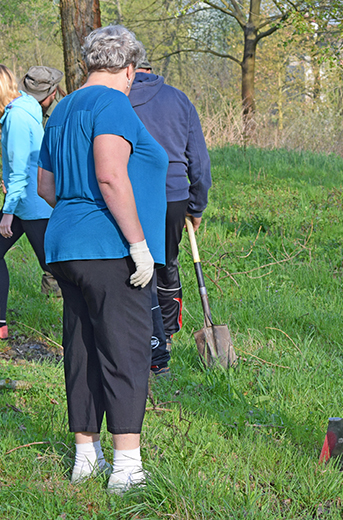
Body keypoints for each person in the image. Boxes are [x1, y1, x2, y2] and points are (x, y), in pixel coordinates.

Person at [37, 25, 168, 494]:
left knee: (83, 349)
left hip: (66, 247)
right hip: (111, 248)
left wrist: (76, 218)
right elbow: (111, 175)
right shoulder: (113, 103)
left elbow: (45, 187)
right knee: (126, 350)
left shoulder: (62, 107)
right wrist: (138, 245)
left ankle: (84, 457)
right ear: (129, 68)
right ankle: (127, 467)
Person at [130, 58, 212, 376]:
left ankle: (144, 342)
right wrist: (196, 205)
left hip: (129, 195)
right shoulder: (178, 99)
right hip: (172, 194)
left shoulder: (114, 97)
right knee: (166, 263)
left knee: (134, 266)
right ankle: (165, 339)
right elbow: (199, 161)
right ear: (152, 72)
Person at [0, 64, 53, 339]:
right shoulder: (26, 104)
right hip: (26, 200)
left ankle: (94, 325)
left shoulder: (15, 118)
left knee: (57, 269)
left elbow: (19, 172)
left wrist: (7, 212)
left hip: (31, 205)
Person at [19, 65, 66, 297]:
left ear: (53, 93)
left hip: (58, 183)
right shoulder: (26, 109)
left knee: (54, 237)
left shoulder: (60, 113)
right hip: (33, 184)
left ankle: (55, 293)